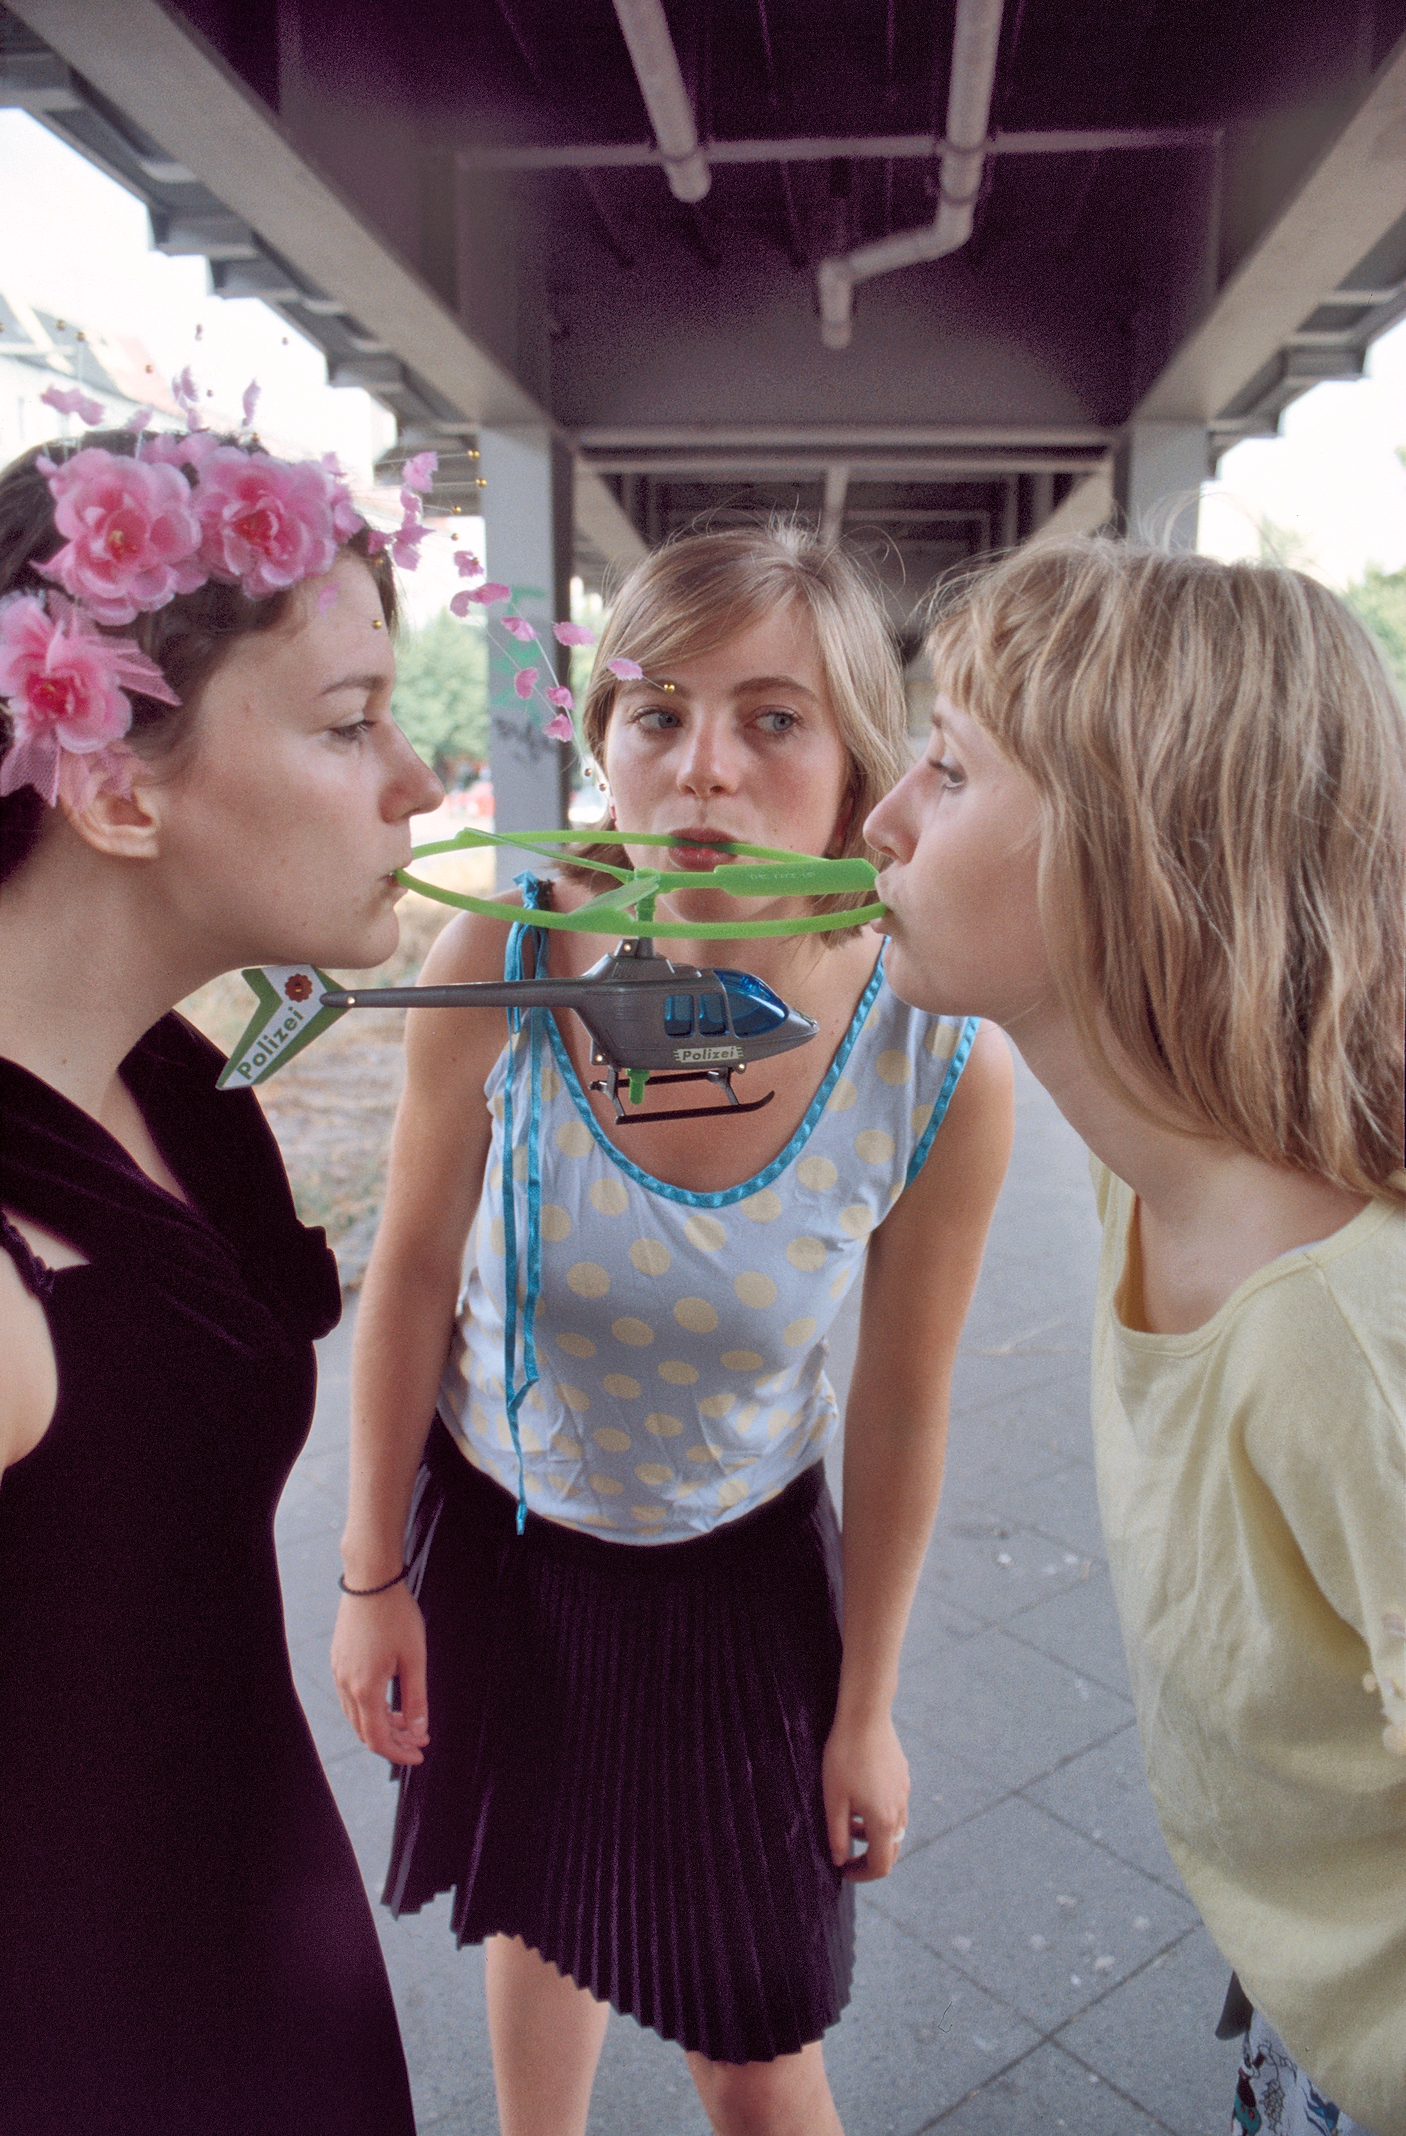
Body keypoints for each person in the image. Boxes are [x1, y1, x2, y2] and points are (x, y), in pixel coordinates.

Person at [330, 524, 1014, 2135]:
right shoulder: (504, 956)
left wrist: (866, 1708)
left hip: (741, 1578)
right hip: (505, 1549)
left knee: (755, 2041)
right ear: (606, 746)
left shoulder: (932, 1056)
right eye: (658, 714)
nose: (704, 765)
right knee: (540, 1903)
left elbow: (899, 1407)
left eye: (772, 719)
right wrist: (370, 1576)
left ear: (854, 768)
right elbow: (410, 1275)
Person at [865, 535, 1406, 2136]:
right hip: (1293, 2007)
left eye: (945, 769)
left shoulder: (1337, 1342)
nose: (881, 819)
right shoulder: (1148, 1183)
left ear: (1131, 847)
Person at [0, 424, 443, 2134]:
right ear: (117, 790)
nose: (418, 782)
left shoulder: (158, 1082)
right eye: (348, 723)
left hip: (243, 1921)